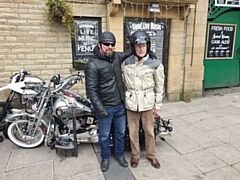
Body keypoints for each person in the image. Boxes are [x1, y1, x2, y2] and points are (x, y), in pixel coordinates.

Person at [84, 31, 131, 172]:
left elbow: (130, 52)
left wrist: (149, 51)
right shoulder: (92, 65)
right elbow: (91, 91)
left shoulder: (116, 57)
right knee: (104, 136)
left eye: (112, 44)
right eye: (106, 44)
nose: (110, 46)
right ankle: (105, 158)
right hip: (105, 108)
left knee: (121, 133)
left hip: (120, 106)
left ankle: (119, 155)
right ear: (99, 45)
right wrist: (101, 109)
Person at [122, 30, 165, 169]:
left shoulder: (155, 64)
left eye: (144, 45)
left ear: (148, 46)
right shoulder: (126, 63)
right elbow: (123, 83)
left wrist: (157, 104)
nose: (141, 48)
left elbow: (159, 86)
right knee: (133, 132)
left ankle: (152, 155)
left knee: (149, 132)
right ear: (133, 47)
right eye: (138, 45)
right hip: (131, 103)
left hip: (147, 104)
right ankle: (135, 155)